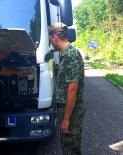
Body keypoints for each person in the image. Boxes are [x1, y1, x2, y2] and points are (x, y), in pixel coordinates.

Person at [48, 23, 86, 155]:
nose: (51, 43)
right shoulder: (66, 53)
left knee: (71, 149)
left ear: (54, 38)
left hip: (71, 112)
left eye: (50, 39)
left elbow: (72, 89)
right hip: (68, 110)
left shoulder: (70, 55)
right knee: (67, 147)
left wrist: (66, 119)